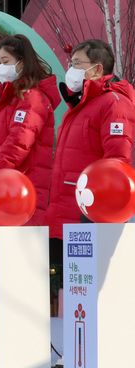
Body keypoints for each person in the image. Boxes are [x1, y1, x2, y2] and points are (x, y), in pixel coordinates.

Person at [44, 39, 135, 264]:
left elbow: (117, 162)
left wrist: (99, 211)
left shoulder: (114, 104)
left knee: (83, 290)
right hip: (65, 210)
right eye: (71, 64)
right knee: (62, 289)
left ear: (97, 68)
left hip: (88, 215)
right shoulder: (78, 106)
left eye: (77, 64)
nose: (70, 70)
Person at [0, 34, 60, 226]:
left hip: (20, 188)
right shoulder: (6, 100)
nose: (1, 67)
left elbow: (18, 143)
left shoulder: (33, 98)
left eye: (6, 61)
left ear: (22, 63)